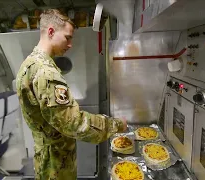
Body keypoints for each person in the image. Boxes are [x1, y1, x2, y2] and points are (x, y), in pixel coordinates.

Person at [15, 9, 127, 180]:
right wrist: (115, 125)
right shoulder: (46, 72)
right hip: (56, 162)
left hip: (46, 154)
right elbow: (73, 123)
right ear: (51, 31)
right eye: (67, 37)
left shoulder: (29, 64)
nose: (70, 44)